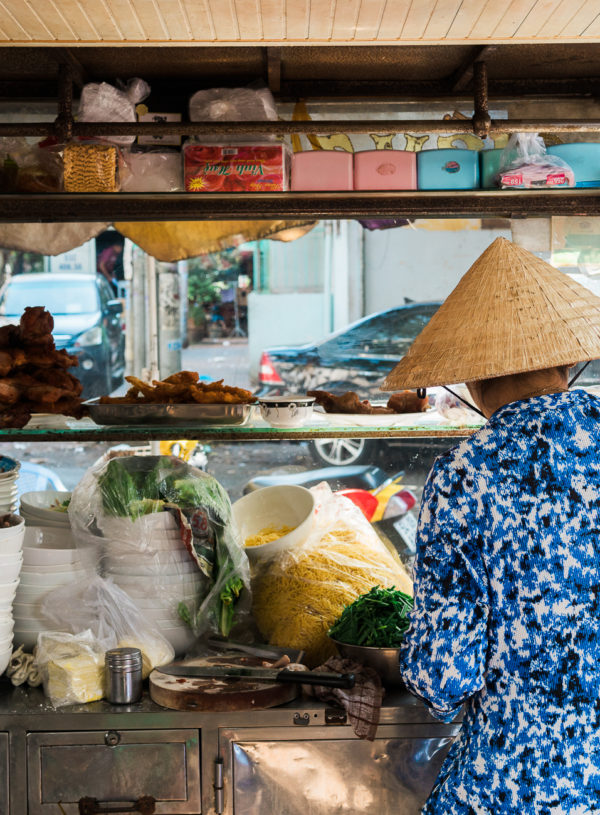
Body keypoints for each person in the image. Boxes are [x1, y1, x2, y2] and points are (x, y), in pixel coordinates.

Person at [381, 236, 600, 813]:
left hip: (517, 780)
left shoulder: (466, 474)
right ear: (565, 359)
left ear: (472, 381)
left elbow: (443, 674)